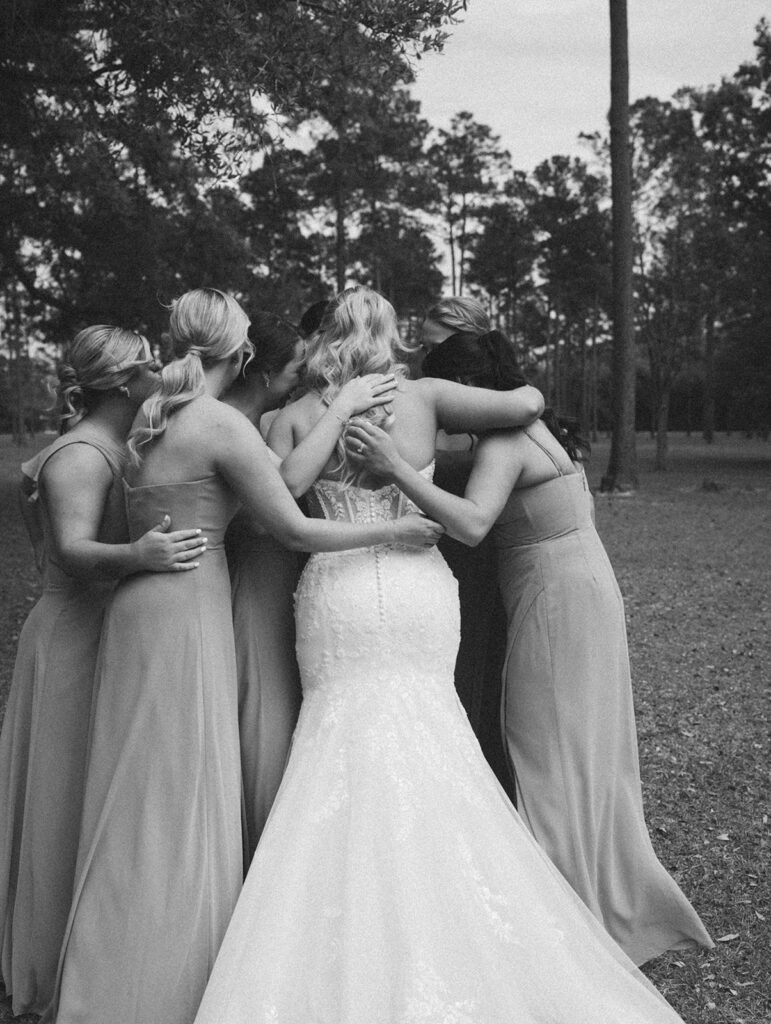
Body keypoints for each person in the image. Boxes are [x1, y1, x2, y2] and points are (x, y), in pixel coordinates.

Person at [192, 286, 687, 1024]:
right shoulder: (423, 396)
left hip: (339, 592)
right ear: (389, 337)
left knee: (338, 730)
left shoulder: (292, 415)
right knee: (432, 728)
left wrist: (336, 408)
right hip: (418, 581)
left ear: (323, 340)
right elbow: (525, 402)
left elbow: (288, 496)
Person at [46, 288, 440, 1024]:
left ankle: (112, 966)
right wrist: (386, 535)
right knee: (182, 793)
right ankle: (164, 979)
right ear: (242, 350)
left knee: (138, 791)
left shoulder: (147, 418)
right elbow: (291, 526)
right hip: (187, 606)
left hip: (141, 607)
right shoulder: (220, 423)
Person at [348, 320, 714, 966]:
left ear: (464, 386)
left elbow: (468, 524)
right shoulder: (538, 431)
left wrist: (394, 467)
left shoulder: (502, 445)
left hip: (551, 598)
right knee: (585, 746)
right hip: (582, 585)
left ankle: (561, 917)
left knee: (540, 747)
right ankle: (600, 894)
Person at [0, 326, 205, 1016]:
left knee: (96, 787)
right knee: (63, 792)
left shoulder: (126, 445)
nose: (161, 371)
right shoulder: (82, 455)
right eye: (150, 365)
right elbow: (72, 548)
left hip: (107, 629)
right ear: (122, 385)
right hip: (72, 636)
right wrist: (140, 556)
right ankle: (49, 958)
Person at [223, 311, 399, 860]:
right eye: (298, 365)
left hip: (307, 573)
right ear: (265, 372)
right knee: (267, 713)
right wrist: (342, 405)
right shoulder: (246, 424)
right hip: (267, 568)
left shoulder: (278, 415)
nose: (306, 373)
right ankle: (265, 851)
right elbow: (287, 495)